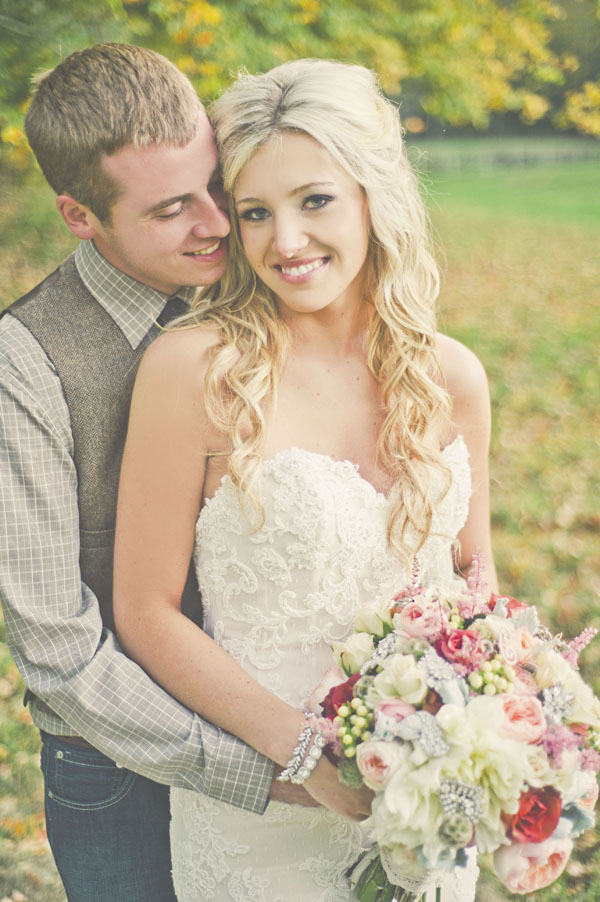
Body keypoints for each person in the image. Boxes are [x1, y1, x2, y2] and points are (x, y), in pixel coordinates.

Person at [112, 58, 498, 901]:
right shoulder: (194, 372)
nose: (285, 242)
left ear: (373, 195)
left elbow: (472, 584)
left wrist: (492, 742)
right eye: (256, 213)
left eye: (314, 200)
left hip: (427, 801)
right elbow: (144, 611)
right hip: (261, 822)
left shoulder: (453, 378)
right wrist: (304, 757)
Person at [0, 43, 331, 902]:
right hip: (123, 772)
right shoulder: (24, 363)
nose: (218, 223)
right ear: (81, 216)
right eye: (173, 208)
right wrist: (267, 773)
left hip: (303, 723)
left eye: (216, 186)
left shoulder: (265, 283)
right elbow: (60, 653)